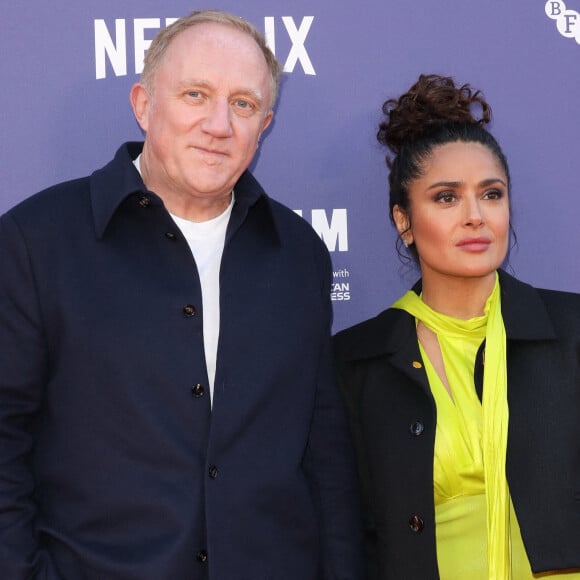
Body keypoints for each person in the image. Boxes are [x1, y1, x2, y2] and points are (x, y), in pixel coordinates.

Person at [0, 10, 363, 580]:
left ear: (264, 124)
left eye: (242, 104)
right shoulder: (36, 242)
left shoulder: (298, 255)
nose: (219, 124)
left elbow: (325, 454)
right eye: (196, 94)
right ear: (144, 104)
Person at [334, 73, 580, 579]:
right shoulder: (358, 362)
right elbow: (349, 534)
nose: (475, 217)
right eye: (446, 198)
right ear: (403, 221)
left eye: (491, 194)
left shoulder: (571, 331)